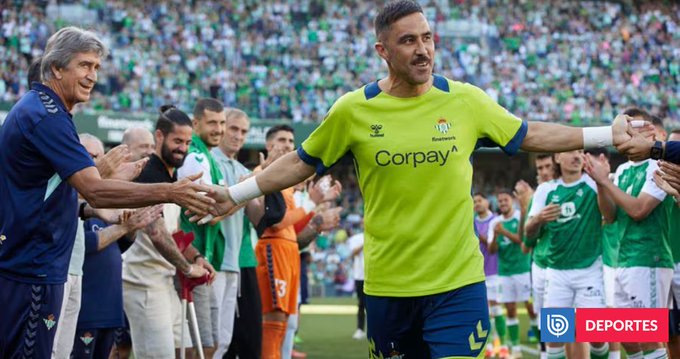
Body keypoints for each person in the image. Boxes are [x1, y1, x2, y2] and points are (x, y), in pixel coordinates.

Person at [196, 2, 645, 356]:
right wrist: (237, 194)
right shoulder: (353, 110)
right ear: (382, 50)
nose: (423, 49)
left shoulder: (466, 101)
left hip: (458, 283)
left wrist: (607, 133)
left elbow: (529, 133)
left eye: (428, 38)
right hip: (390, 287)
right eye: (408, 40)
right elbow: (302, 160)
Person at [0, 26, 212, 358]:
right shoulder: (47, 115)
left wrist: (104, 176)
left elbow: (60, 191)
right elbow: (94, 192)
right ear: (56, 67)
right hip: (34, 266)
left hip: (34, 262)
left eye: (97, 67)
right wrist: (171, 192)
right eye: (84, 64)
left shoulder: (44, 110)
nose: (92, 75)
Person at [122, 105, 215, 359]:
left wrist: (196, 257)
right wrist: (187, 269)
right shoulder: (150, 173)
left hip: (163, 282)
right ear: (159, 137)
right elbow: (157, 233)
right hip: (143, 283)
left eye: (186, 142)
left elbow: (174, 233)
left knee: (184, 351)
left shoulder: (170, 176)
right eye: (177, 141)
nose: (183, 148)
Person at [585, 108, 672, 359]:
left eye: (628, 130)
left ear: (646, 131)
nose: (622, 137)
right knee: (627, 338)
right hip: (622, 260)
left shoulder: (659, 165)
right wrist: (602, 183)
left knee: (649, 337)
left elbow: (639, 210)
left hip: (649, 259)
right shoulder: (622, 170)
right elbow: (610, 216)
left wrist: (606, 182)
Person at [72, 134, 163, 359]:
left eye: (99, 156)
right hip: (84, 311)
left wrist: (133, 224)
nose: (95, 161)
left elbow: (118, 247)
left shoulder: (104, 199)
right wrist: (125, 227)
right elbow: (88, 245)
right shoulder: (70, 201)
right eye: (88, 155)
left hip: (110, 309)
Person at [525, 150, 611, 359]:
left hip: (590, 270)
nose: (576, 156)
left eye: (579, 152)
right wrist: (538, 219)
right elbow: (528, 232)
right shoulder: (546, 190)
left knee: (597, 336)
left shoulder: (593, 184)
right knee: (555, 338)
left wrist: (603, 182)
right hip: (556, 273)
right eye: (569, 151)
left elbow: (610, 215)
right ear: (557, 158)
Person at [178, 98, 229, 359]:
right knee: (196, 347)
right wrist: (238, 197)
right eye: (212, 123)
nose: (219, 129)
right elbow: (208, 210)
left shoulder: (205, 155)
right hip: (189, 256)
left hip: (201, 259)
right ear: (195, 123)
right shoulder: (195, 155)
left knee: (207, 345)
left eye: (222, 123)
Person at [488, 191, 536, 358]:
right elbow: (491, 250)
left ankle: (541, 343)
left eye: (505, 200)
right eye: (500, 201)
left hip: (523, 271)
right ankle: (515, 349)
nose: (502, 203)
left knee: (532, 309)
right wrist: (495, 234)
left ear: (513, 201)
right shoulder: (495, 223)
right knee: (510, 310)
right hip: (505, 273)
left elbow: (524, 241)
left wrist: (504, 232)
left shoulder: (520, 217)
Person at [520, 154, 553, 359]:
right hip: (544, 265)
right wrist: (527, 208)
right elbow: (526, 243)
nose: (543, 172)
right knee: (553, 322)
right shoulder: (539, 196)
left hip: (594, 263)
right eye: (539, 168)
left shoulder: (589, 187)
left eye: (547, 166)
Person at [473, 193, 500, 357]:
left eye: (479, 200)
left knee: (498, 310)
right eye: (474, 201)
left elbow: (492, 247)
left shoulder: (497, 220)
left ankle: (503, 344)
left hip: (496, 271)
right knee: (487, 311)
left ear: (488, 202)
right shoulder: (471, 221)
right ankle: (493, 344)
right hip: (478, 273)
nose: (476, 204)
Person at [348, 223, 366, 341]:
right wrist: (366, 243)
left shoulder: (379, 235)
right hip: (360, 276)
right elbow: (353, 253)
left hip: (376, 276)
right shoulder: (356, 238)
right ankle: (360, 329)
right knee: (361, 304)